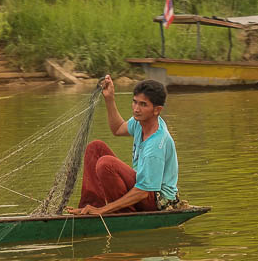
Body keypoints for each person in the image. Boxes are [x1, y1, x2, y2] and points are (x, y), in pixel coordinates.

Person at [67, 76, 178, 216]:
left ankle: (122, 212)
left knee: (106, 164)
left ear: (157, 110)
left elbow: (143, 192)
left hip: (157, 200)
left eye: (143, 105)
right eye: (135, 102)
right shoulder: (140, 122)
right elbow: (118, 128)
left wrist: (103, 211)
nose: (136, 109)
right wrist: (109, 98)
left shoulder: (157, 144)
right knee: (95, 148)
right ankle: (89, 207)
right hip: (143, 187)